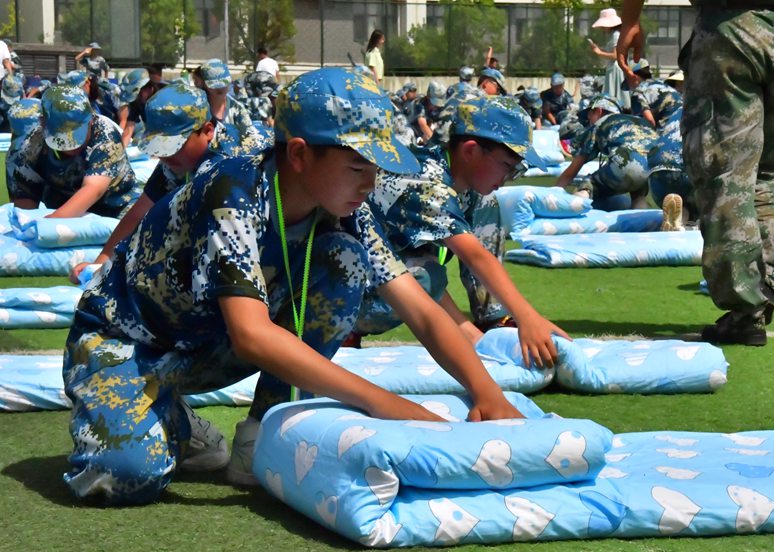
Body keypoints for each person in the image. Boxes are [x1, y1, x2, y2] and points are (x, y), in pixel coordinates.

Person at [61, 67, 522, 505]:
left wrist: (488, 394)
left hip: (205, 346)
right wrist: (387, 405)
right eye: (358, 165)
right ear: (299, 154)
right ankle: (169, 419)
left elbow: (417, 307)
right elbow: (251, 335)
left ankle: (259, 435)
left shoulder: (345, 207)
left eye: (376, 168)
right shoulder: (232, 190)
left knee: (344, 260)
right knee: (123, 476)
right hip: (126, 343)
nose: (371, 182)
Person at [616, 0, 774, 346]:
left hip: (731, 26)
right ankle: (758, 295)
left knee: (725, 171)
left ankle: (745, 307)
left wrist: (630, 21)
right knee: (764, 169)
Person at [353, 95, 570, 366]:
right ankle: (347, 329)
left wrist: (473, 337)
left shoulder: (468, 188)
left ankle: (493, 318)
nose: (506, 179)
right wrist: (527, 316)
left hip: (388, 271)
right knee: (425, 276)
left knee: (485, 205)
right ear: (470, 151)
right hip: (346, 285)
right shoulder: (427, 183)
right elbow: (471, 257)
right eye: (507, 166)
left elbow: (409, 261)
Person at [68, 83, 244, 285]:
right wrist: (100, 263)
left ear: (207, 131)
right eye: (159, 146)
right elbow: (140, 212)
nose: (164, 154)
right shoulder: (177, 160)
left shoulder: (232, 161)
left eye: (174, 145)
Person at [6, 85, 137, 218]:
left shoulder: (105, 133)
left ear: (91, 119)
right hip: (63, 206)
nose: (71, 146)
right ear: (43, 123)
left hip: (116, 207)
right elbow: (24, 201)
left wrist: (50, 223)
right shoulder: (29, 147)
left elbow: (93, 189)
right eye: (61, 135)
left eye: (76, 133)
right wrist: (32, 228)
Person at [555, 96, 658, 211]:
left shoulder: (601, 123)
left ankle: (571, 215)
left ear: (598, 111)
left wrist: (553, 196)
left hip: (627, 164)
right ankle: (644, 223)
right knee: (638, 194)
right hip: (653, 169)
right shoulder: (637, 121)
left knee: (588, 185)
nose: (588, 121)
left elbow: (570, 172)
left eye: (589, 114)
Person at [198, 59, 269, 156]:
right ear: (204, 84)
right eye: (215, 84)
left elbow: (250, 137)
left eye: (224, 83)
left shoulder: (236, 108)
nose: (220, 88)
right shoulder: (197, 107)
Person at [588, 8, 630, 111]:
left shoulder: (615, 35)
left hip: (616, 69)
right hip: (615, 68)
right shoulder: (614, 35)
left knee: (614, 98)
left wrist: (599, 53)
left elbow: (616, 55)